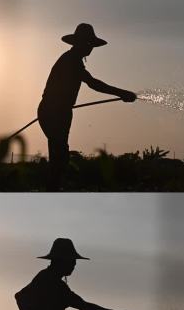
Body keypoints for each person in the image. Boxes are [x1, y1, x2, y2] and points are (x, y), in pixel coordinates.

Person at [38, 23, 137, 191]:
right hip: (53, 111)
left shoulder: (73, 60)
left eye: (92, 44)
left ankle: (54, 188)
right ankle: (52, 190)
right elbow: (93, 84)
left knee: (60, 155)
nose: (90, 48)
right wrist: (122, 93)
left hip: (59, 111)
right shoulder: (71, 61)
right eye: (88, 44)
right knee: (59, 155)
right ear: (78, 43)